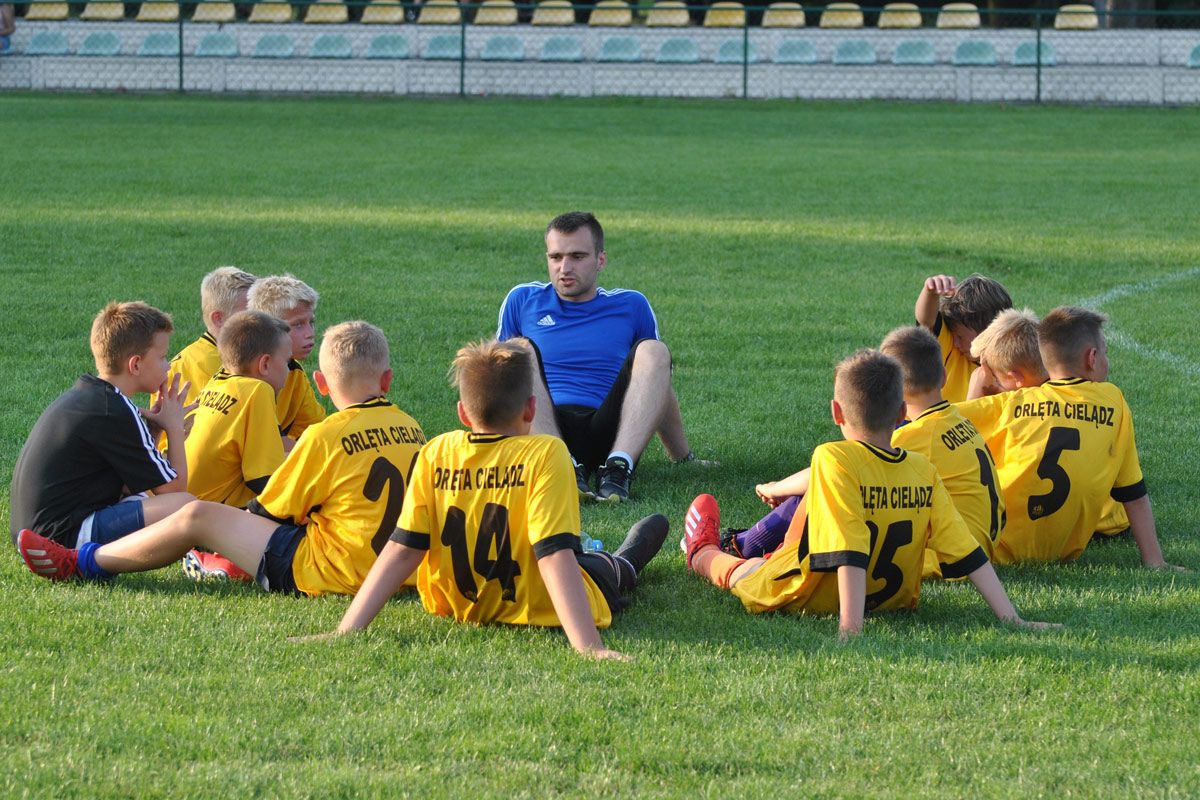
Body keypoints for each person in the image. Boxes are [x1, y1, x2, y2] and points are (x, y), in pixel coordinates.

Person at [310, 339, 670, 659]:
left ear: (462, 412)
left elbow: (403, 549)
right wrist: (590, 647)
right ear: (531, 409)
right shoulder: (546, 453)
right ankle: (624, 560)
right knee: (604, 568)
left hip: (457, 605)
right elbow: (554, 556)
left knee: (580, 556)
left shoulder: (436, 451)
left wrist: (347, 630)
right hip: (538, 602)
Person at [16, 321, 428, 598]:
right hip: (399, 572)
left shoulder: (324, 434)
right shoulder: (414, 429)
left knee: (198, 515)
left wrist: (228, 531)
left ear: (320, 383)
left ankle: (83, 563)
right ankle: (213, 557)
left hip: (327, 571)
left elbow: (271, 509)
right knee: (190, 508)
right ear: (387, 380)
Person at [681, 349, 1056, 638]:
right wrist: (1012, 618)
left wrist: (851, 630)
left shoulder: (832, 457)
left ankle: (701, 551)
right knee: (806, 519)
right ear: (901, 413)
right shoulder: (922, 469)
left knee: (743, 573)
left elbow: (850, 549)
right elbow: (965, 550)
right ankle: (764, 547)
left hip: (810, 593)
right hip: (892, 600)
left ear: (836, 412)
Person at [497, 211, 709, 503]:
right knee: (514, 350)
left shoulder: (631, 304)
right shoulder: (522, 300)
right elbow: (497, 382)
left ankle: (618, 468)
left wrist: (682, 456)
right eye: (556, 257)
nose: (564, 267)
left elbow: (657, 383)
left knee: (654, 351)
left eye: (577, 256)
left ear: (600, 260)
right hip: (543, 428)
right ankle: (561, 465)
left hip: (611, 431)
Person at [956, 306, 1183, 568]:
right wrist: (1155, 561)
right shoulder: (1114, 402)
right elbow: (1134, 493)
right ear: (1092, 358)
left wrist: (975, 393)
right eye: (1106, 353)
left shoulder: (1010, 403)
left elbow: (938, 428)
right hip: (1063, 550)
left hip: (992, 547)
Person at [9, 302, 193, 553]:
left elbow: (134, 481)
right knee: (184, 506)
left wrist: (156, 428)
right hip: (59, 539)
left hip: (35, 534)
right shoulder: (115, 410)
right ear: (135, 365)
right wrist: (174, 427)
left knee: (143, 497)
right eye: (162, 357)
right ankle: (87, 560)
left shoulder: (93, 396)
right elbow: (175, 491)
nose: (168, 365)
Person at [881, 325, 1004, 576]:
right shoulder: (959, 417)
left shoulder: (916, 435)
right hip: (984, 545)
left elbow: (846, 469)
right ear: (944, 377)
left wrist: (785, 485)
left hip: (956, 558)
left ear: (892, 390)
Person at [184, 310, 290, 510]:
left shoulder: (216, 384)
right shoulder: (258, 390)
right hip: (202, 511)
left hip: (174, 499)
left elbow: (280, 447)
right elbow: (263, 480)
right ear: (265, 364)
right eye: (287, 362)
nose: (288, 370)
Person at [162, 266, 257, 409]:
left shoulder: (193, 356)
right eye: (249, 315)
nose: (260, 322)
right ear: (218, 319)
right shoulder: (213, 364)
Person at [246, 274, 325, 444]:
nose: (310, 333)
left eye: (311, 322)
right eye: (298, 324)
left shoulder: (294, 373)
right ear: (268, 329)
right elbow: (268, 445)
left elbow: (316, 430)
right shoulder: (248, 380)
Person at [915, 273, 1012, 403]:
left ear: (988, 333)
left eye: (960, 337)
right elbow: (926, 321)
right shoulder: (951, 348)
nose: (955, 342)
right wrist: (930, 292)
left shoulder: (1012, 365)